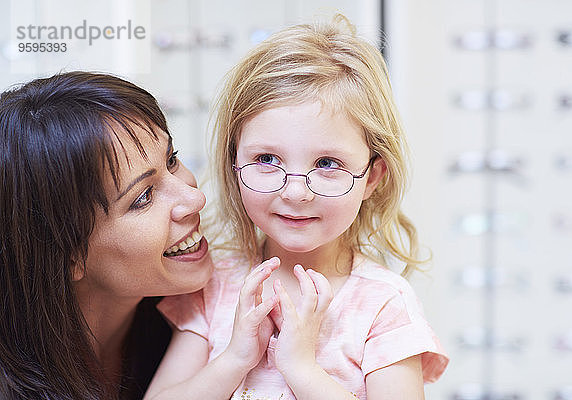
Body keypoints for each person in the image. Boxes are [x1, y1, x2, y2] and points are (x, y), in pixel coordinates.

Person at [149, 14, 449, 400]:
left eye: (327, 164)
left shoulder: (384, 305)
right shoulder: (216, 286)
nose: (294, 193)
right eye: (267, 159)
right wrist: (235, 358)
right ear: (233, 164)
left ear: (372, 177)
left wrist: (301, 368)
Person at [0, 71, 273, 400]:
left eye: (171, 161)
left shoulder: (199, 319)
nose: (195, 199)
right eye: (142, 197)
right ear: (66, 254)